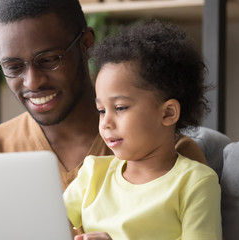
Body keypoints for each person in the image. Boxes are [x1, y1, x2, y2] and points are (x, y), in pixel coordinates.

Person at [0, 0, 207, 236]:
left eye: (48, 60)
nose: (33, 81)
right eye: (13, 67)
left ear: (86, 45)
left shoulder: (168, 158)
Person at [63, 19, 222, 240]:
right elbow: (44, 223)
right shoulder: (92, 174)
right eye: (101, 110)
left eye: (119, 108)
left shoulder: (195, 183)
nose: (106, 122)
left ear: (167, 113)